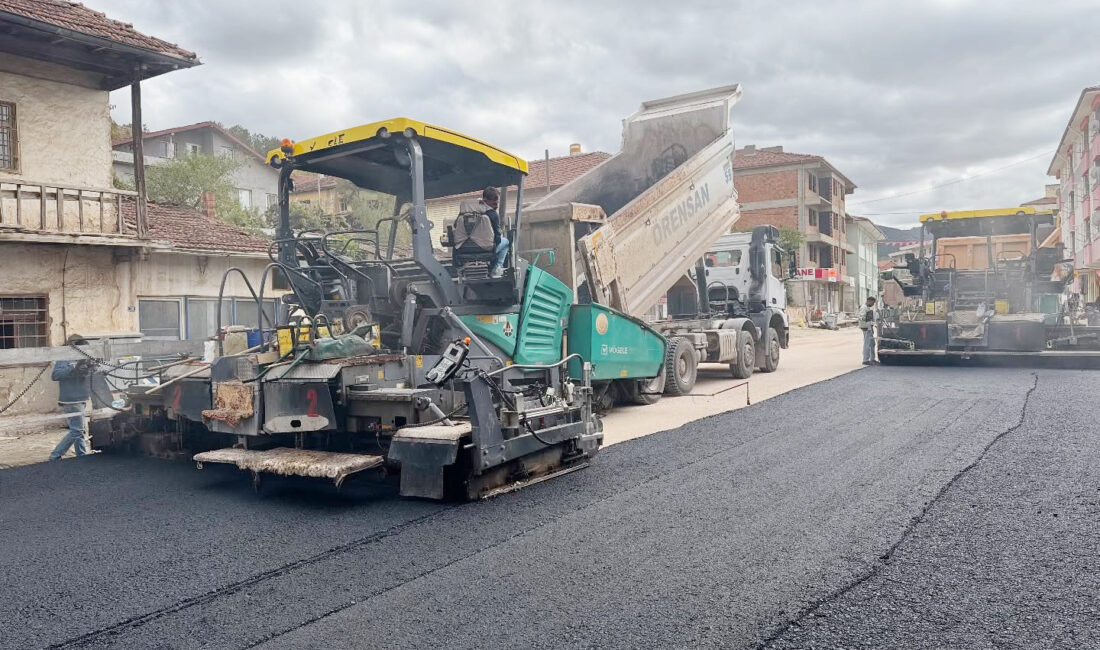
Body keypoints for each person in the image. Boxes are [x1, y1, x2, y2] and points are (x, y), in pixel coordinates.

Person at [49, 357, 94, 461]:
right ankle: (55, 455)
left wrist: (91, 368)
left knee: (79, 430)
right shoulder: (65, 359)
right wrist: (73, 368)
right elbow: (55, 375)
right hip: (71, 401)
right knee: (77, 431)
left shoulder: (84, 359)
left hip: (81, 399)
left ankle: (81, 456)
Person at [481, 187, 509, 278]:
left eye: (497, 203)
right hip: (487, 248)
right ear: (485, 200)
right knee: (506, 242)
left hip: (470, 248)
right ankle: (497, 268)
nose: (496, 206)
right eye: (494, 203)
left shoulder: (473, 212)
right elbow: (497, 238)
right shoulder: (492, 214)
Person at [858, 296, 878, 365]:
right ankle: (865, 360)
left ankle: (872, 359)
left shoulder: (867, 308)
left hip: (869, 327)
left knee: (872, 344)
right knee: (867, 344)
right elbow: (861, 317)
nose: (873, 304)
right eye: (873, 303)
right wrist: (869, 322)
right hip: (866, 328)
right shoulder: (864, 308)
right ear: (869, 301)